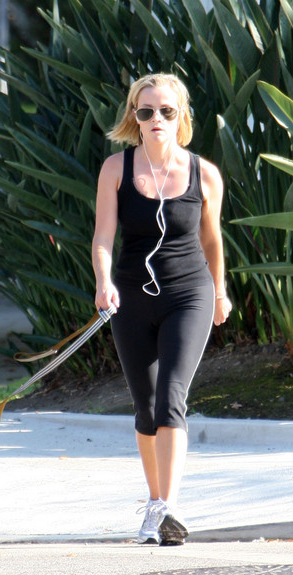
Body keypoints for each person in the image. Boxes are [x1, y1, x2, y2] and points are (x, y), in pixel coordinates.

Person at [91, 73, 232, 546]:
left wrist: (220, 291)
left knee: (172, 396)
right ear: (134, 115)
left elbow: (212, 239)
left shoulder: (203, 173)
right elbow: (103, 238)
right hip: (130, 296)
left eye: (166, 111)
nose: (156, 119)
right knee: (146, 405)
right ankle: (154, 504)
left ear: (181, 116)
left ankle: (169, 508)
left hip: (189, 293)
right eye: (146, 111)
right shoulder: (116, 168)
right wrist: (103, 282)